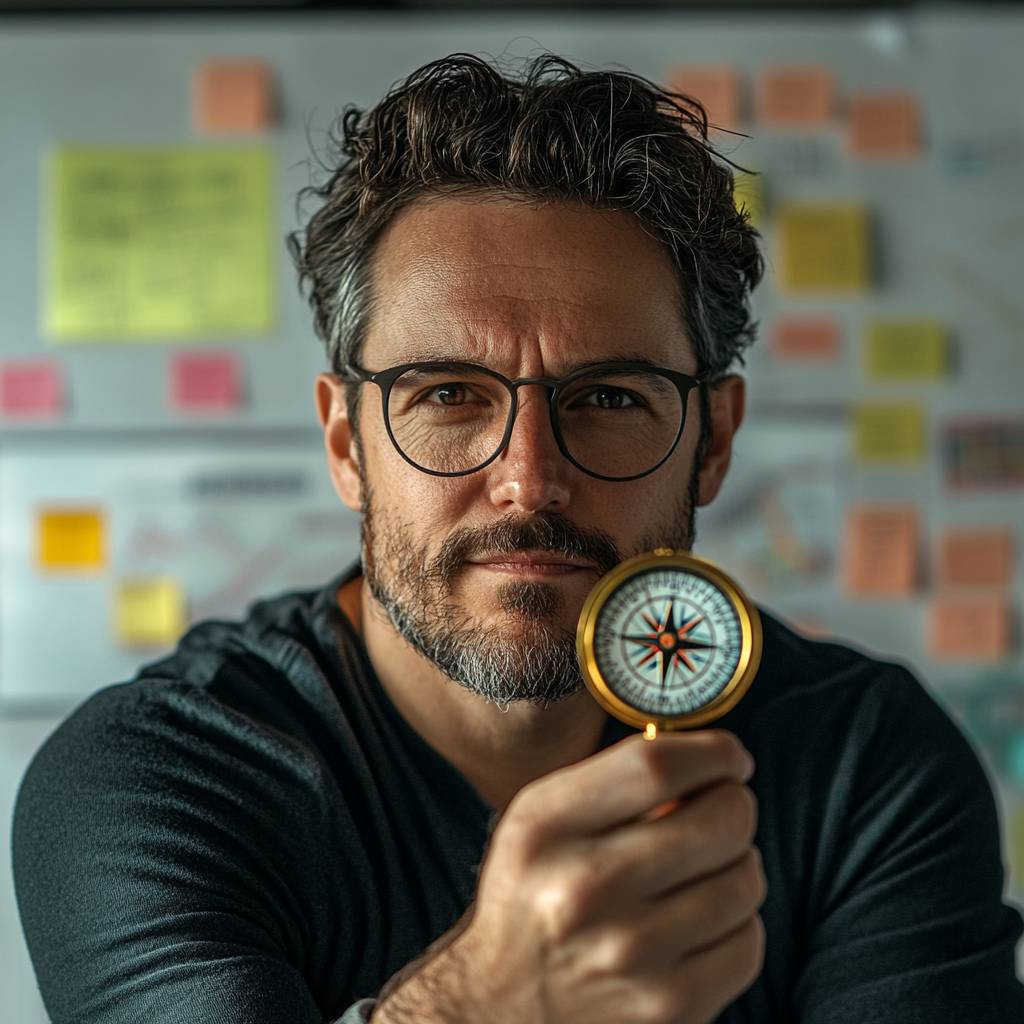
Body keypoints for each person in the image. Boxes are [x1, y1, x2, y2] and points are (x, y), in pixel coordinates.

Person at [11, 52, 1024, 1024]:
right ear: (345, 441)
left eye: (611, 396)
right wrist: (477, 1007)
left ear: (711, 440)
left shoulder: (867, 766)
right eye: (448, 393)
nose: (529, 476)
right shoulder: (149, 782)